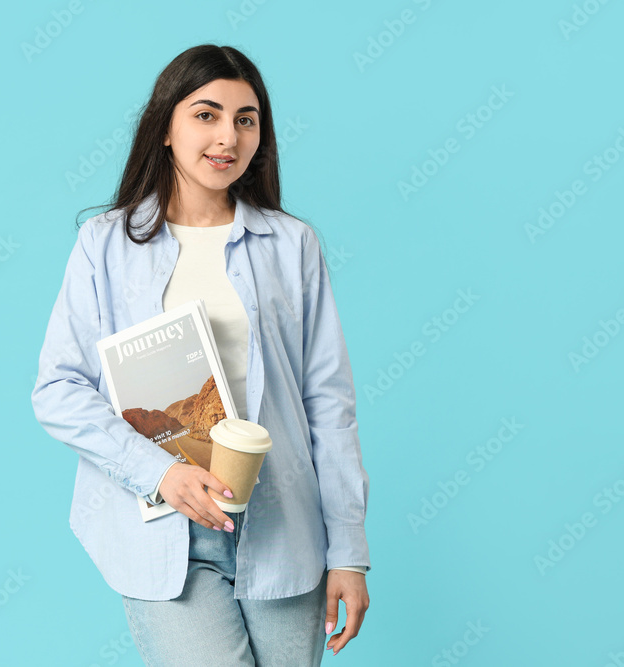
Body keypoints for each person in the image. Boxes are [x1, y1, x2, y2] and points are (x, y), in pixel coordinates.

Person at [31, 44, 370, 665]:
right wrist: (158, 472)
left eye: (246, 119)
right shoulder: (104, 245)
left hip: (283, 528)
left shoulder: (292, 244)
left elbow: (328, 404)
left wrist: (348, 550)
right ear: (165, 127)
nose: (227, 137)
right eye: (206, 115)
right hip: (163, 531)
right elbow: (58, 390)